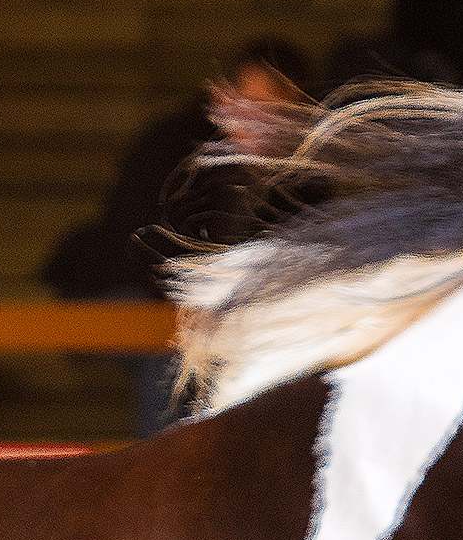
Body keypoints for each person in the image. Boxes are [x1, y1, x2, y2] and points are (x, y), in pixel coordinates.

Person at [39, 37, 316, 437]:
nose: (257, 121)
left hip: (229, 311)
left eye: (275, 111)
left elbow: (300, 256)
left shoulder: (306, 174)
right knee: (171, 354)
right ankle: (164, 481)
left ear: (301, 113)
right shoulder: (172, 146)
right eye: (247, 105)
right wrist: (192, 299)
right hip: (123, 288)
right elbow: (139, 239)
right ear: (221, 99)